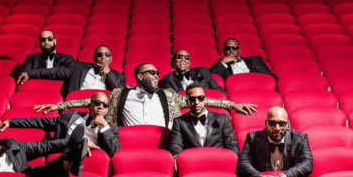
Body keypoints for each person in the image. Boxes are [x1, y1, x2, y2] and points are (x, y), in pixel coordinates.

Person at [34, 63, 257, 129]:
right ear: (140, 76)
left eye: (158, 73)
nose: (157, 76)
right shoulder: (120, 93)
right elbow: (90, 100)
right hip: (126, 143)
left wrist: (231, 104)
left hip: (163, 142)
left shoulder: (169, 94)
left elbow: (199, 100)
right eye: (152, 73)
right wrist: (59, 106)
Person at [0, 120, 89, 177]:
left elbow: (42, 147)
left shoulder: (10, 144)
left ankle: (68, 161)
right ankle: (66, 163)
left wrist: (70, 142)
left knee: (33, 171)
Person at [0, 92, 121, 158]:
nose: (101, 107)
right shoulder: (70, 116)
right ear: (89, 105)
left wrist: (105, 126)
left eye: (105, 105)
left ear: (107, 110)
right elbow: (41, 122)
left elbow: (115, 152)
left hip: (89, 160)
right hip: (62, 155)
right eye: (97, 103)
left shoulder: (111, 129)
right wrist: (11, 122)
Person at [236, 106, 313, 177]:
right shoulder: (253, 138)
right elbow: (242, 164)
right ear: (266, 123)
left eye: (282, 124)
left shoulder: (300, 138)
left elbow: (307, 164)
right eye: (272, 123)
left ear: (288, 124)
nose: (277, 128)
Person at [168, 82, 239, 156]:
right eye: (192, 99)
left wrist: (232, 158)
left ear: (205, 100)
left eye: (200, 98)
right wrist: (177, 157)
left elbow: (232, 145)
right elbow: (175, 146)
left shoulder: (222, 119)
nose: (196, 102)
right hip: (193, 161)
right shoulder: (179, 122)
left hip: (218, 160)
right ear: (187, 102)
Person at [210, 38, 277, 82]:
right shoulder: (221, 66)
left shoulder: (256, 60)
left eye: (234, 48)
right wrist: (223, 62)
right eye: (228, 48)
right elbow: (211, 79)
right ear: (224, 51)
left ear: (239, 50)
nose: (231, 50)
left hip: (257, 86)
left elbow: (271, 78)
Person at [161, 49, 226, 93]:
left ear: (189, 62)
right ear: (173, 61)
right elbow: (172, 100)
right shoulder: (168, 79)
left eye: (187, 58)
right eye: (179, 57)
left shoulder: (202, 71)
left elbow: (218, 90)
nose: (183, 59)